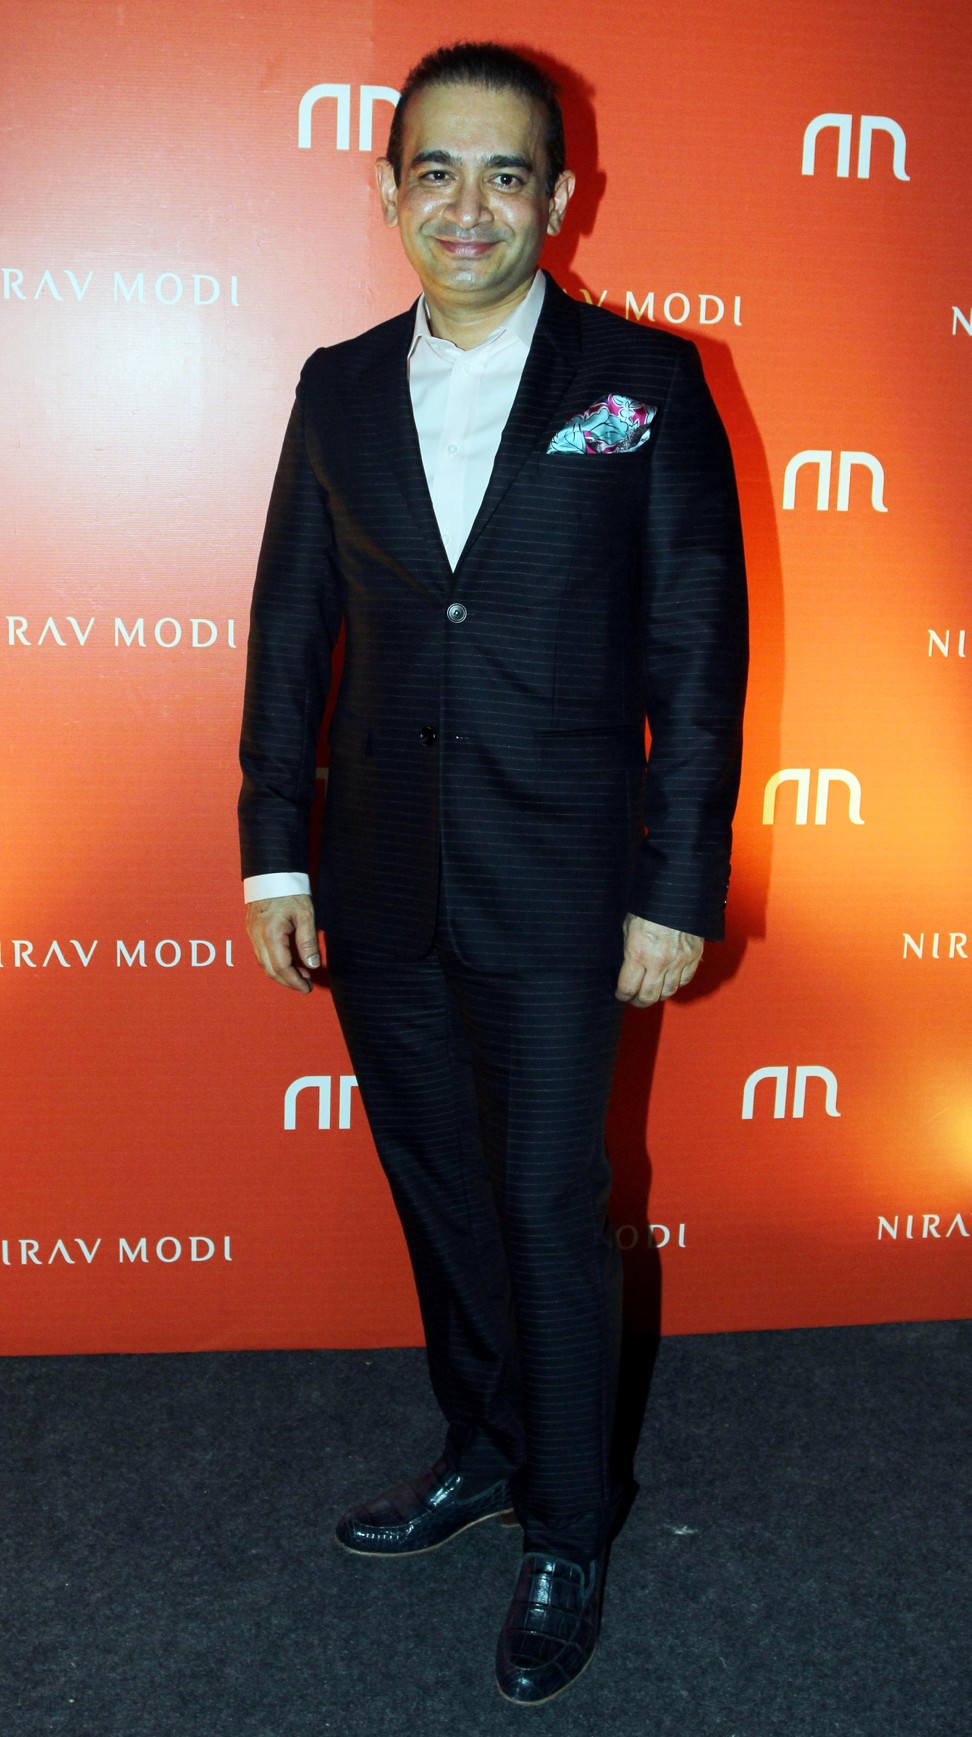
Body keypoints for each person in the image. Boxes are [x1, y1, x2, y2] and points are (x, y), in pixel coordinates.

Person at [238, 40, 748, 1707]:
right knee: (444, 1199)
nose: (470, 204)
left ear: (562, 196)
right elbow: (291, 633)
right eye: (435, 171)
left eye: (506, 173)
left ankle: (569, 1522)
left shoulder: (649, 382)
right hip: (380, 880)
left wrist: (677, 887)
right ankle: (482, 1443)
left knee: (545, 1206)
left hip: (566, 883)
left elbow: (696, 645)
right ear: (388, 190)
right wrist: (270, 857)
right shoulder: (330, 385)